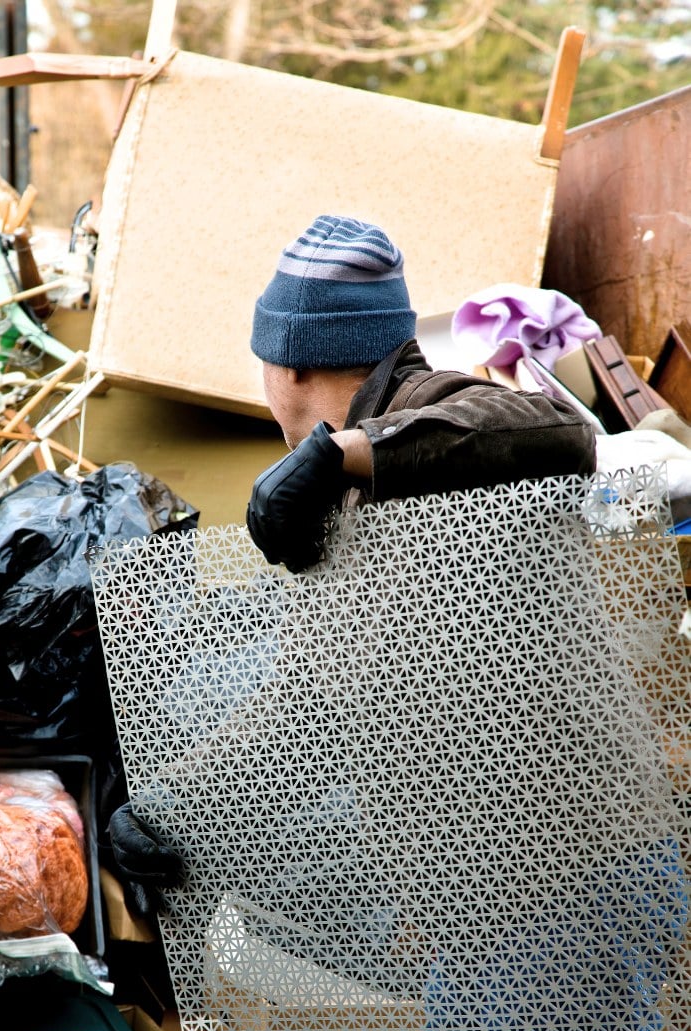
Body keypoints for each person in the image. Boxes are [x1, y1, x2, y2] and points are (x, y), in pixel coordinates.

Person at [108, 212, 598, 915]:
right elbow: (307, 703)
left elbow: (564, 432)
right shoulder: (348, 496)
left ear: (290, 362)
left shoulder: (423, 411)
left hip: (559, 884)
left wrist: (337, 451)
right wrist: (171, 809)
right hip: (489, 892)